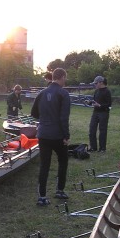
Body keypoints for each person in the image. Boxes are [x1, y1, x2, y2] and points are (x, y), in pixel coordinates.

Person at [30, 67, 71, 206]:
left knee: (45, 165)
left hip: (43, 134)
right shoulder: (63, 94)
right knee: (63, 161)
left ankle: (42, 196)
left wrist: (45, 118)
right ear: (62, 77)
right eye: (65, 78)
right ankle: (59, 190)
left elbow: (34, 114)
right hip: (58, 134)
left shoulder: (41, 93)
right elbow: (64, 117)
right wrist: (66, 135)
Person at [88, 76, 112, 153]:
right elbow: (95, 101)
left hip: (103, 113)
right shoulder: (96, 91)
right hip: (95, 112)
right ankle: (93, 147)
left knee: (102, 131)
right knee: (92, 129)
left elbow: (109, 104)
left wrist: (100, 105)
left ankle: (102, 148)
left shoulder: (107, 91)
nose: (95, 84)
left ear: (101, 82)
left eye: (96, 83)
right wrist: (90, 102)